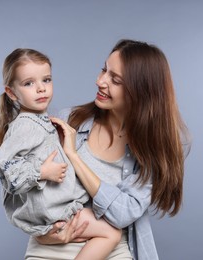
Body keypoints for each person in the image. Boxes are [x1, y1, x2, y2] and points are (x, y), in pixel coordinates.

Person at [26, 39, 191, 260]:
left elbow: (123, 214)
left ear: (140, 91)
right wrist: (44, 234)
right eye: (104, 69)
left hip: (111, 248)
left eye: (115, 79)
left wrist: (74, 157)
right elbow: (28, 190)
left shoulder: (151, 150)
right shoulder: (68, 121)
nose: (100, 81)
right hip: (54, 242)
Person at [0, 48, 123, 260]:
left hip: (59, 207)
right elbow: (8, 170)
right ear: (11, 93)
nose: (41, 89)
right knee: (111, 233)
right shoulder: (25, 127)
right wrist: (41, 172)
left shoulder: (43, 121)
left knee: (110, 232)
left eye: (46, 80)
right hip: (55, 213)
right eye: (29, 83)